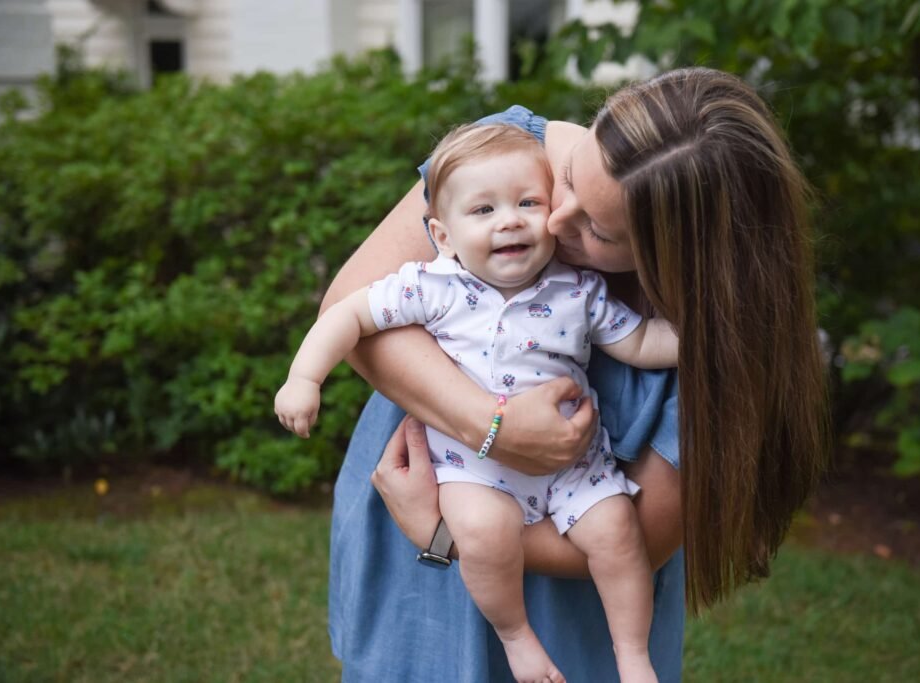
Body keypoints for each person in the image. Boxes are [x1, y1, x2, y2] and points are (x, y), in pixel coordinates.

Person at [321, 67, 827, 682]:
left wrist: (441, 529)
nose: (555, 223)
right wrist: (495, 427)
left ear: (676, 261)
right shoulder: (499, 155)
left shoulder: (707, 351)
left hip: (567, 610)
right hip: (424, 551)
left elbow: (639, 538)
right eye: (566, 180)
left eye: (600, 231)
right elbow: (350, 305)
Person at [276, 123, 679, 683]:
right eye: (483, 210)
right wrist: (303, 377)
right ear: (442, 235)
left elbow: (638, 342)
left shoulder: (577, 290)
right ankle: (517, 638)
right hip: (476, 467)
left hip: (574, 466)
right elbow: (348, 314)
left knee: (617, 535)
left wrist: (699, 339)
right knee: (485, 535)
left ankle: (633, 656)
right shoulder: (431, 286)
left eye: (528, 202)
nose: (509, 219)